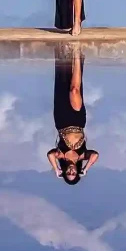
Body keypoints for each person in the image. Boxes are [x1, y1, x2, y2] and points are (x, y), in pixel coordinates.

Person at [46, 45, 98, 185]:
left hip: (62, 121)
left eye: (68, 174)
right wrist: (86, 169)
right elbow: (95, 155)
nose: (71, 171)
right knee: (75, 90)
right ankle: (76, 55)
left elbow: (50, 154)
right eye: (73, 173)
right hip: (78, 121)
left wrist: (56, 168)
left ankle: (65, 53)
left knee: (63, 85)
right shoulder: (82, 156)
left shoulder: (60, 155)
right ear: (77, 172)